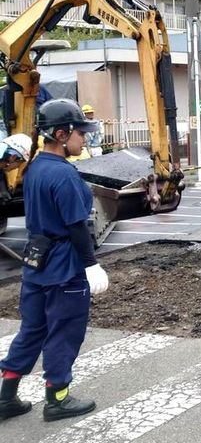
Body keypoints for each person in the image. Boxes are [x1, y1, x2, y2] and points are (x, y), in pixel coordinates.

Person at [0, 98, 109, 423]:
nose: (85, 138)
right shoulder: (63, 175)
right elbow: (77, 225)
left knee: (32, 329)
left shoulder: (34, 169)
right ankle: (57, 399)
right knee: (64, 331)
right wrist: (91, 265)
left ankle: (6, 396)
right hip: (64, 266)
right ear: (62, 135)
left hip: (36, 262)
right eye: (81, 132)